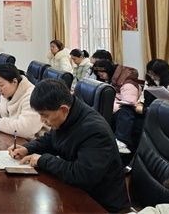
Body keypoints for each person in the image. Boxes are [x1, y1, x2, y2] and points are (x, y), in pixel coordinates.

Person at [9, 79, 129, 213]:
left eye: (45, 116)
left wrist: (43, 160)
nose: (42, 121)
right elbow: (51, 139)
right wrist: (27, 148)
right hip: (76, 192)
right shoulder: (67, 115)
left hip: (101, 204)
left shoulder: (95, 131)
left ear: (63, 109)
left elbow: (81, 175)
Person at [0, 63, 47, 140]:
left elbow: (26, 129)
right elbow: (4, 108)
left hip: (32, 142)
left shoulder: (31, 96)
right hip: (14, 138)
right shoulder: (10, 91)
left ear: (14, 81)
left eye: (1, 85)